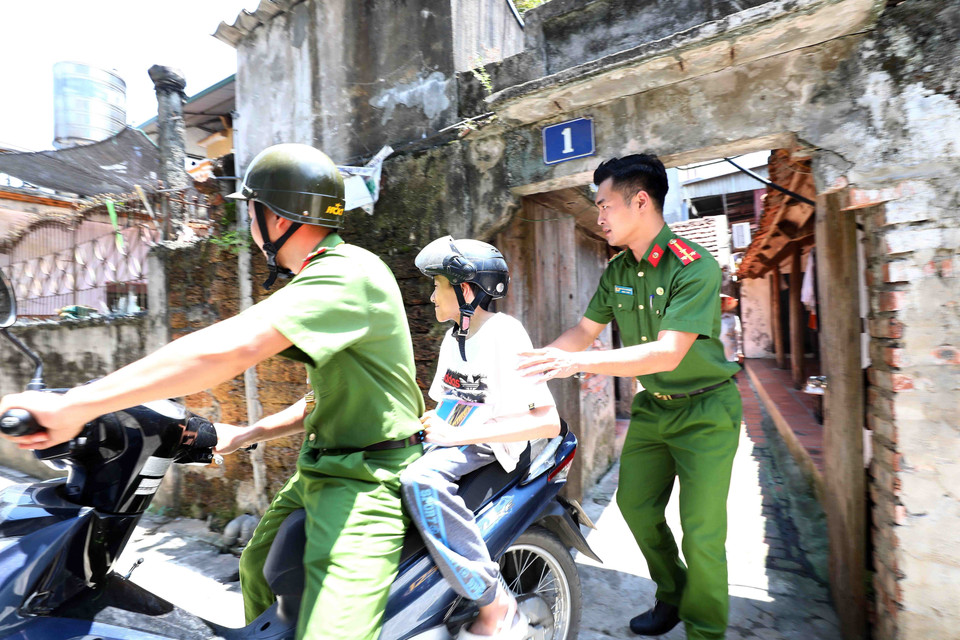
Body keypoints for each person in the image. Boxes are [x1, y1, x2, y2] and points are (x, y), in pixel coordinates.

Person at [0, 143, 426, 640]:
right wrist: (241, 435)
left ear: (270, 215)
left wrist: (75, 405)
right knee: (256, 566)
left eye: (249, 210)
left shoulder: (348, 273)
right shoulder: (326, 279)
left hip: (372, 480)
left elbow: (229, 348)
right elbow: (323, 397)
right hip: (321, 466)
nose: (248, 222)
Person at [517, 154, 742, 640]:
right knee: (638, 510)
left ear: (640, 201)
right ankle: (674, 593)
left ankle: (706, 631)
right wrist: (535, 361)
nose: (599, 217)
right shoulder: (618, 268)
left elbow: (666, 353)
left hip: (706, 410)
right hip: (653, 411)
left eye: (604, 205)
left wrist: (579, 363)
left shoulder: (694, 266)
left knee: (702, 532)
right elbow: (583, 330)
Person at [401, 236, 560, 640]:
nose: (431, 295)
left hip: (493, 449)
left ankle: (495, 605)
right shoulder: (453, 336)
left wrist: (460, 434)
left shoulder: (506, 333)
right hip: (456, 441)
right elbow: (446, 404)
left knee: (420, 482)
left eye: (437, 285)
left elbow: (547, 422)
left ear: (466, 290)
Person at [719, 294, 744, 364]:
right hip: (712, 355)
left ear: (724, 303)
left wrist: (739, 352)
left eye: (721, 301)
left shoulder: (733, 318)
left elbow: (738, 336)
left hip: (729, 355)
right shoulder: (708, 320)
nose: (719, 304)